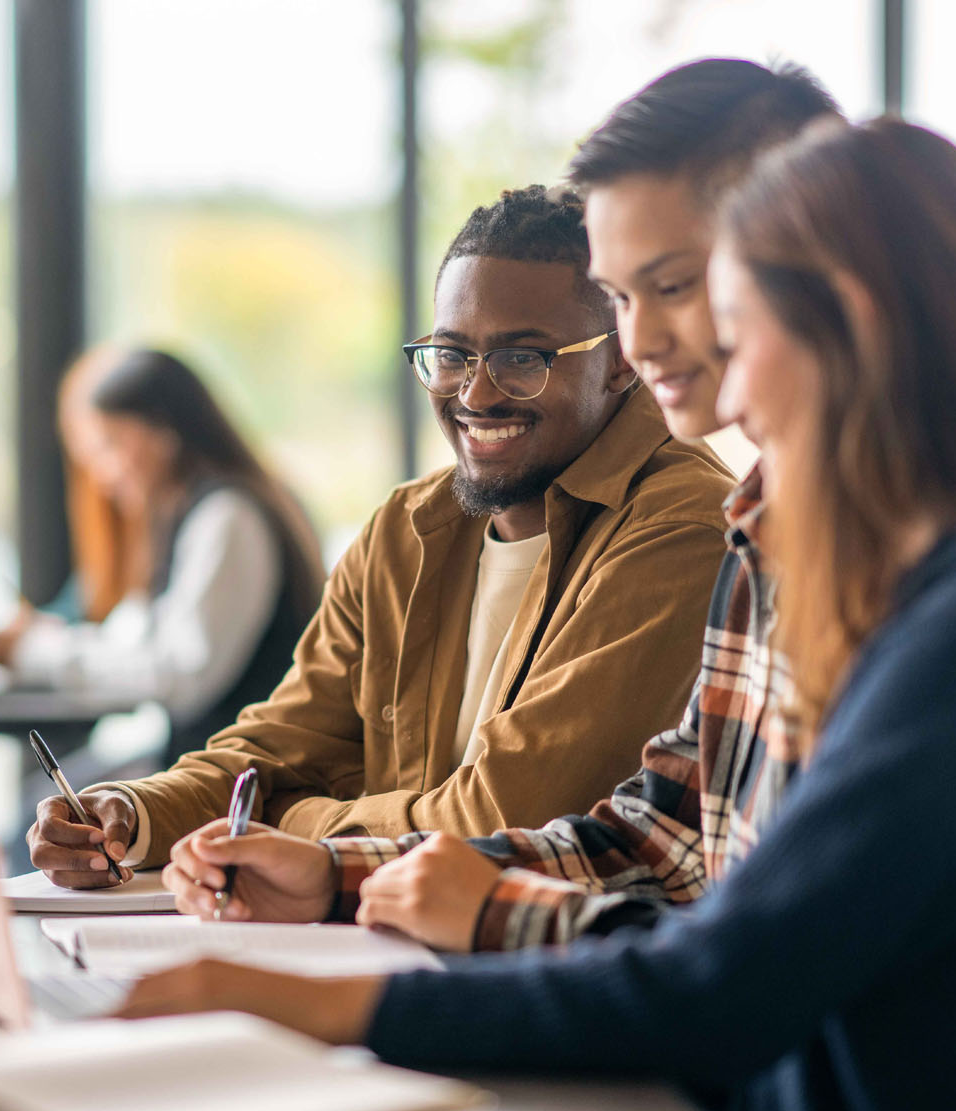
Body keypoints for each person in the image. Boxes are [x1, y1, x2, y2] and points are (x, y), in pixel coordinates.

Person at [116, 117, 956, 1111]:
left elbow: (726, 988)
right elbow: (680, 855)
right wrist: (352, 878)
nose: (696, 368)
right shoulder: (930, 583)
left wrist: (347, 1006)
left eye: (727, 327)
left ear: (854, 327)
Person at [167, 60, 842, 966]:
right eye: (628, 297)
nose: (644, 340)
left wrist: (325, 861)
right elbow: (656, 845)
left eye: (676, 286)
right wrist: (337, 874)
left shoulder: (756, 536)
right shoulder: (769, 531)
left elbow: (761, 964)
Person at [27, 187, 737, 891]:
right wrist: (132, 812)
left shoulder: (681, 530)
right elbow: (274, 749)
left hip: (551, 969)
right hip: (384, 937)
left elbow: (500, 821)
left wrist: (286, 826)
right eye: (452, 354)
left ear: (619, 359)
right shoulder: (409, 530)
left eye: (523, 358)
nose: (476, 394)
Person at [0, 346, 326, 765]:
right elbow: (139, 639)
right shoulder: (182, 517)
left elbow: (183, 675)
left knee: (44, 817)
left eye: (111, 445)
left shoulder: (228, 517)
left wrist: (42, 651)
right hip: (211, 767)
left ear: (163, 434)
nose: (102, 474)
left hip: (240, 780)